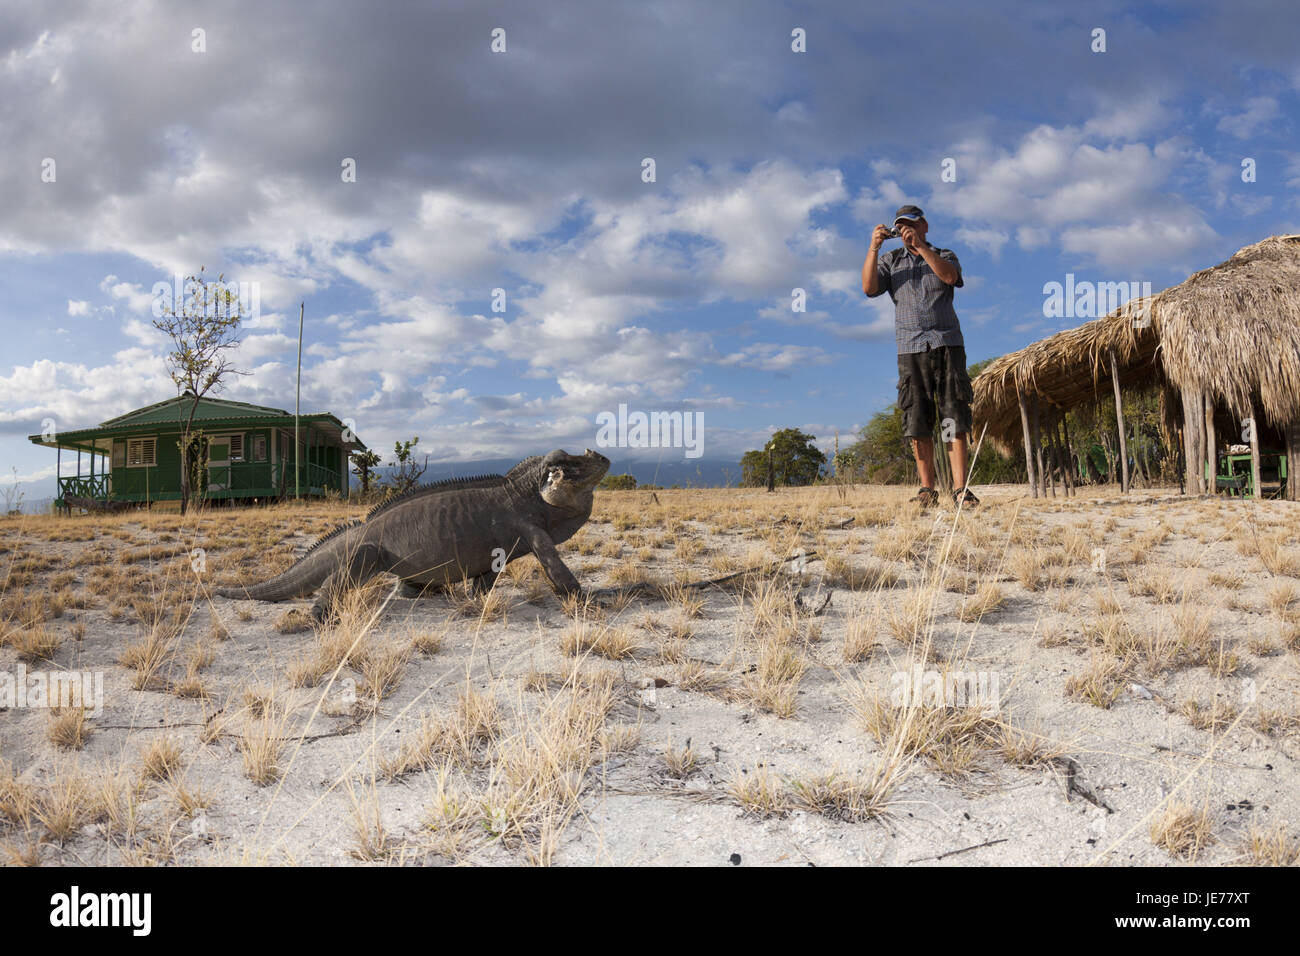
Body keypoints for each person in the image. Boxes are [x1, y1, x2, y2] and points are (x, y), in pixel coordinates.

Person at [863, 204, 979, 508]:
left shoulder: (945, 254)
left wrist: (921, 248)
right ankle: (927, 489)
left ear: (924, 226)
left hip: (947, 344)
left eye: (911, 225)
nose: (905, 230)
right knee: (917, 420)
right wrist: (873, 248)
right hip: (910, 347)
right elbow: (868, 287)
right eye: (900, 226)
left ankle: (960, 490)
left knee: (953, 418)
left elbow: (950, 277)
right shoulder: (890, 261)